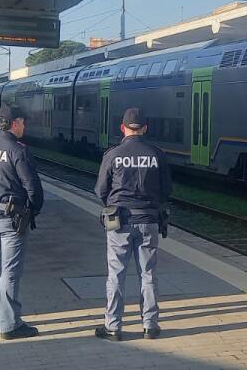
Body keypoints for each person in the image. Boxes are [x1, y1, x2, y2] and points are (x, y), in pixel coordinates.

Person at [94, 107, 172, 341]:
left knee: (116, 274)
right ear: (145, 128)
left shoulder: (113, 154)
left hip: (119, 222)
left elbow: (100, 190)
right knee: (148, 274)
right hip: (148, 221)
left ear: (123, 128)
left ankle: (113, 326)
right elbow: (167, 190)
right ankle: (150, 325)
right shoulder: (157, 154)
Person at [0, 105, 44, 340]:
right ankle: (10, 325)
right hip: (12, 219)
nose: (25, 126)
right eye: (23, 122)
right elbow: (32, 186)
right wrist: (34, 208)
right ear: (14, 123)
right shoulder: (18, 151)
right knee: (10, 272)